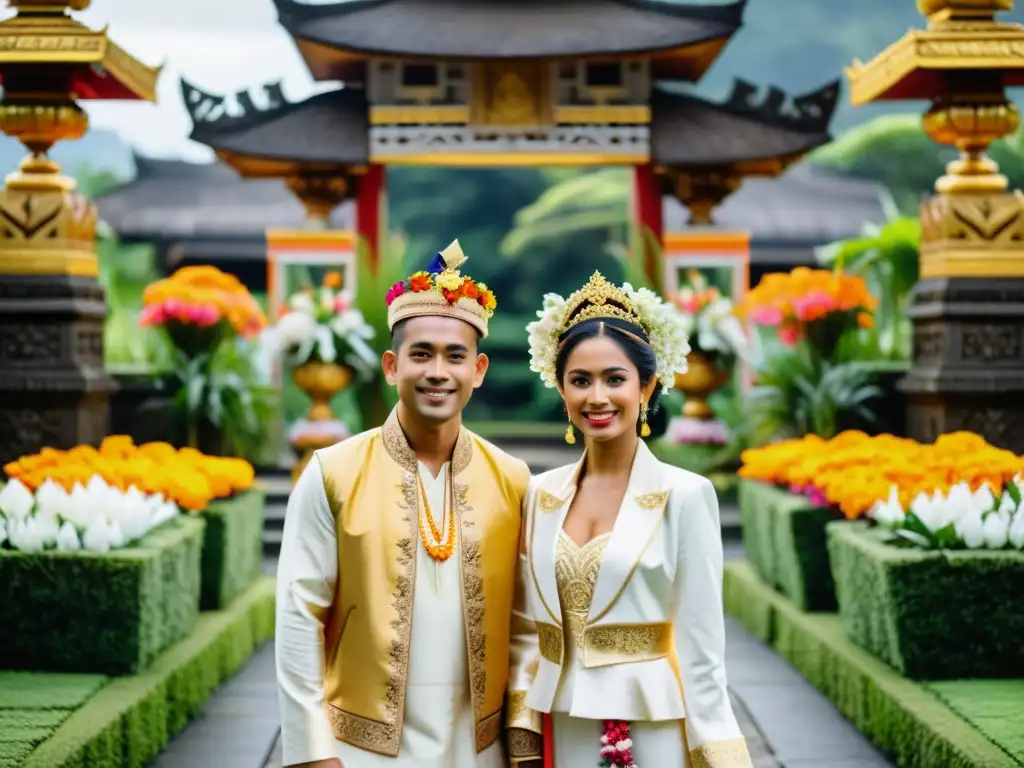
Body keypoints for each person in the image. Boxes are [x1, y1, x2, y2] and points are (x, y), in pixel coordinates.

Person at [276, 241, 531, 768]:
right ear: (392, 367)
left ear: (478, 370)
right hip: (359, 747)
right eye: (421, 354)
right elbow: (298, 617)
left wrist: (523, 746)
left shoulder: (513, 480)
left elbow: (527, 627)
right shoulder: (333, 472)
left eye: (455, 356)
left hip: (479, 747)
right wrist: (311, 753)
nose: (438, 371)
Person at [505, 272, 753, 767]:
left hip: (652, 723)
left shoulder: (685, 496)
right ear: (561, 389)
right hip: (565, 716)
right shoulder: (539, 493)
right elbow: (526, 627)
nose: (597, 397)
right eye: (580, 380)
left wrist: (720, 754)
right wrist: (521, 721)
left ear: (647, 385)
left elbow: (702, 650)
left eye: (614, 379)